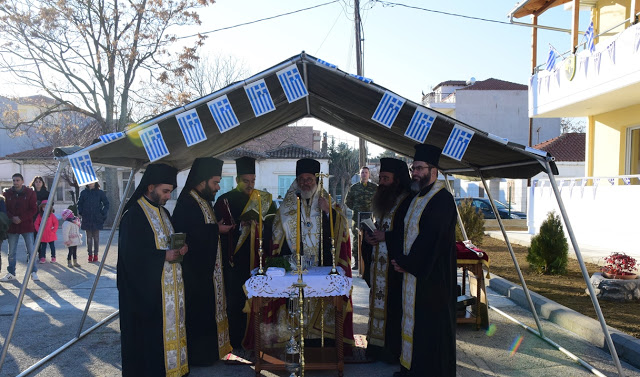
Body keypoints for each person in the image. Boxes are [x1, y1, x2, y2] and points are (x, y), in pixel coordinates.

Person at [389, 144, 457, 377]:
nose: (414, 173)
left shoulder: (442, 200)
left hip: (432, 281)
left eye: (419, 168)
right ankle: (410, 370)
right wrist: (400, 258)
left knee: (429, 331)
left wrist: (408, 263)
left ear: (433, 170)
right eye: (413, 168)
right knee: (413, 328)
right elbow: (403, 232)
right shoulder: (417, 197)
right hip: (414, 274)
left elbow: (433, 238)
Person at [272, 158, 354, 348]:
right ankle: (295, 341)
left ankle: (321, 342)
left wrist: (328, 213)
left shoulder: (329, 202)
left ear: (316, 180)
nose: (305, 182)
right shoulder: (287, 205)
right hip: (295, 268)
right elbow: (277, 233)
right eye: (302, 178)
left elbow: (342, 230)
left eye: (309, 178)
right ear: (297, 180)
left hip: (323, 265)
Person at [117, 163, 189, 377]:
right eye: (165, 191)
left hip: (169, 293)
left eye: (170, 192)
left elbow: (169, 243)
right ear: (150, 187)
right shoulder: (134, 215)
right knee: (148, 344)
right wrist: (163, 256)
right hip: (145, 297)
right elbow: (130, 257)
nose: (168, 196)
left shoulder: (164, 212)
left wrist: (180, 248)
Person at [172, 157, 233, 365]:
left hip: (208, 271)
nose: (218, 187)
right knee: (198, 313)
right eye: (215, 182)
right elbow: (191, 232)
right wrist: (216, 229)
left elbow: (203, 227)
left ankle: (211, 352)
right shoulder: (187, 202)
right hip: (195, 273)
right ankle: (199, 357)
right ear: (202, 180)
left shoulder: (203, 200)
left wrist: (215, 226)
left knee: (209, 312)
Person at [213, 156, 276, 350]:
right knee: (237, 299)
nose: (250, 185)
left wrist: (261, 226)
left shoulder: (263, 199)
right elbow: (218, 229)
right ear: (237, 180)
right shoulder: (225, 201)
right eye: (246, 181)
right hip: (235, 260)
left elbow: (275, 226)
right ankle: (237, 339)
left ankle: (261, 337)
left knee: (262, 298)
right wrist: (241, 225)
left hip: (260, 258)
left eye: (253, 181)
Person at [361, 157, 411, 364]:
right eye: (380, 177)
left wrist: (387, 238)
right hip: (378, 264)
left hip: (395, 268)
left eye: (385, 178)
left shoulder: (408, 201)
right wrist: (369, 239)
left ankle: (392, 351)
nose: (380, 182)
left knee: (394, 309)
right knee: (378, 304)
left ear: (397, 180)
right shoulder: (383, 199)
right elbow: (378, 226)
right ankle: (375, 347)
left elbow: (409, 234)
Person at [0, 173, 39, 282]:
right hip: (13, 227)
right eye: (14, 180)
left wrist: (21, 218)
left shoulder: (30, 193)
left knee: (31, 250)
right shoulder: (7, 194)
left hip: (26, 225)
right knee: (11, 251)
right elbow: (4, 209)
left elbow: (33, 209)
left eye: (18, 180)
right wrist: (12, 218)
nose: (15, 182)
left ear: (22, 181)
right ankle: (11, 272)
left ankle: (33, 272)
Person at [345, 166, 377, 270]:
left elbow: (379, 200)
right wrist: (355, 208)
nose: (364, 174)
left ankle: (369, 261)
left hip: (370, 217)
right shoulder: (354, 188)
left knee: (370, 237)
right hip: (357, 217)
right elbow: (347, 201)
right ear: (360, 175)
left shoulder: (374, 187)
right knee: (356, 239)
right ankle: (357, 262)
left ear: (369, 174)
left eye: (366, 172)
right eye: (362, 172)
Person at [77, 182, 110, 263]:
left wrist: (102, 213)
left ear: (95, 182)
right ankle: (90, 255)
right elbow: (79, 203)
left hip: (96, 218)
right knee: (88, 238)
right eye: (89, 182)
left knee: (96, 237)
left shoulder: (100, 192)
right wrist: (81, 212)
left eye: (92, 182)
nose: (91, 184)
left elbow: (106, 203)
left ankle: (96, 255)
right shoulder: (84, 193)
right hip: (87, 217)